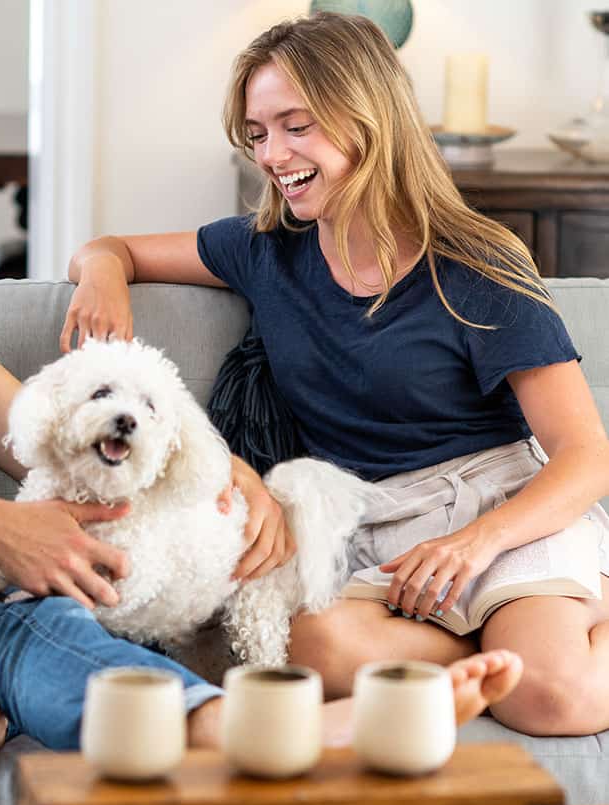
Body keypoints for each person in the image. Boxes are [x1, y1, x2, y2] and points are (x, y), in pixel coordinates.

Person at [0, 71, 523, 786]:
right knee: (25, 627)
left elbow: (38, 430)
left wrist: (233, 474)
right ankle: (268, 732)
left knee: (58, 609)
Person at [63, 12, 609, 738]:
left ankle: (539, 625)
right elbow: (111, 248)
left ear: (367, 119)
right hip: (370, 529)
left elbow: (584, 453)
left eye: (296, 125)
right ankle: (492, 645)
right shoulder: (263, 250)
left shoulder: (476, 264)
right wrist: (100, 271)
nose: (272, 154)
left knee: (550, 698)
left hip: (494, 513)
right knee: (302, 649)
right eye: (257, 133)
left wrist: (473, 546)